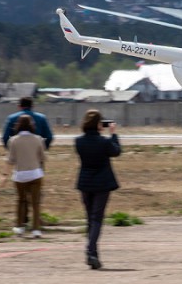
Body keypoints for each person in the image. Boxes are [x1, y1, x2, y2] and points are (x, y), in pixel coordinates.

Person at [75, 110, 121, 270]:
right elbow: (116, 151)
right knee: (96, 220)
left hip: (85, 184)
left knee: (90, 220)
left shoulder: (78, 141)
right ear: (98, 124)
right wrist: (113, 134)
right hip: (102, 184)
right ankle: (91, 253)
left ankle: (92, 252)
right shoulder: (104, 142)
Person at [7, 115, 46, 238]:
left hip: (20, 175)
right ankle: (36, 229)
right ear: (31, 125)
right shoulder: (38, 139)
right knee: (35, 202)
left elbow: (11, 159)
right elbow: (43, 157)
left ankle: (20, 226)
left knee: (21, 201)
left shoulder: (13, 140)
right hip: (35, 173)